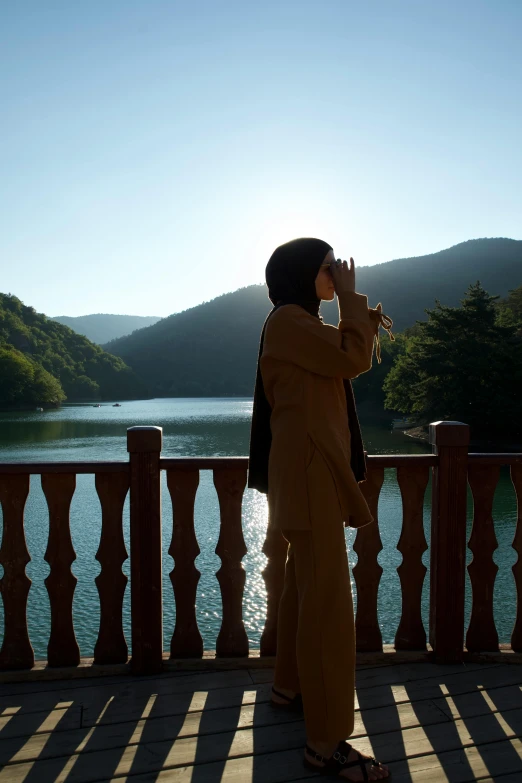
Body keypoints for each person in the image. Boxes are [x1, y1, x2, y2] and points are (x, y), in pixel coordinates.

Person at [248, 238, 393, 780]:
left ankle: (289, 685)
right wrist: (351, 300)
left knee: (303, 588)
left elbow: (345, 354)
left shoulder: (295, 323)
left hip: (303, 474)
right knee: (329, 605)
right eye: (326, 266)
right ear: (301, 273)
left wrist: (347, 307)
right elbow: (354, 357)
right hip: (309, 477)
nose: (335, 272)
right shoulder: (289, 320)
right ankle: (327, 741)